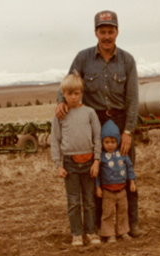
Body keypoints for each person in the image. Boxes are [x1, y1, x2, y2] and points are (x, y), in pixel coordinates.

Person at [55, 10, 146, 237]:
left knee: (125, 169)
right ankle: (97, 228)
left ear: (117, 32)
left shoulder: (127, 60)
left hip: (120, 121)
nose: (107, 36)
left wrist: (127, 131)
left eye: (111, 31)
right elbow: (67, 83)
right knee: (94, 173)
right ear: (96, 33)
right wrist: (60, 102)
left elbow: (133, 99)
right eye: (102, 32)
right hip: (93, 122)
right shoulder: (83, 58)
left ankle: (131, 225)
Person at [51, 72, 102, 246]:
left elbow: (97, 138)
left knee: (89, 200)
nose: (73, 97)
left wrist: (96, 161)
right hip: (70, 165)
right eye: (69, 93)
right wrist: (58, 165)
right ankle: (76, 234)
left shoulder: (90, 113)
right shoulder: (60, 116)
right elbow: (55, 141)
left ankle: (91, 232)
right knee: (73, 201)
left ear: (81, 93)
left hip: (89, 163)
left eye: (77, 93)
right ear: (63, 94)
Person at [96, 120, 136, 243]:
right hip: (108, 192)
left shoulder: (123, 154)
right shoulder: (101, 157)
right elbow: (96, 174)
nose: (110, 145)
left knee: (122, 212)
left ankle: (123, 232)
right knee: (107, 213)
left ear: (118, 141)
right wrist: (98, 187)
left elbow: (129, 167)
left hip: (122, 190)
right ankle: (109, 234)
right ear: (102, 142)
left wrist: (132, 182)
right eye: (106, 142)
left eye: (113, 142)